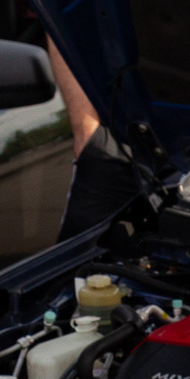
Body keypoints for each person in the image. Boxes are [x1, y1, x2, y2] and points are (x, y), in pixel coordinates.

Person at [46, 38, 149, 240]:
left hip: (174, 133)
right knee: (79, 254)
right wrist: (86, 130)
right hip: (111, 145)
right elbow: (62, 30)